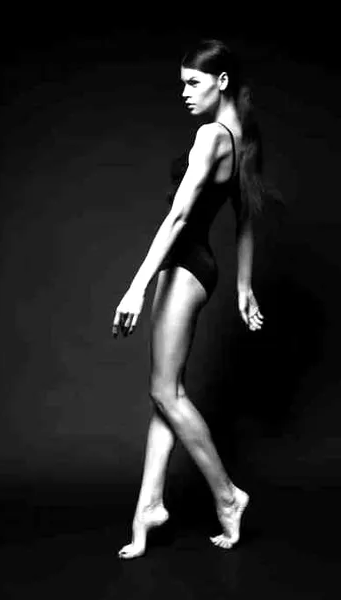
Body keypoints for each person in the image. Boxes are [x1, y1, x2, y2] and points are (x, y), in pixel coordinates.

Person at [112, 38, 265, 559]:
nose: (184, 92)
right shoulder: (242, 139)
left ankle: (228, 496)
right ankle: (148, 507)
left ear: (221, 82)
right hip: (195, 266)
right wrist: (242, 285)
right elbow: (246, 217)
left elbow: (179, 216)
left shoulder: (211, 136)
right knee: (165, 391)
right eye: (181, 83)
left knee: (166, 392)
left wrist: (135, 286)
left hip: (184, 264)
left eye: (193, 82)